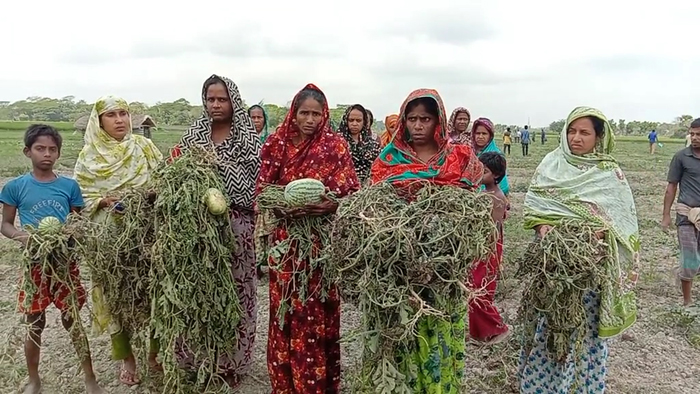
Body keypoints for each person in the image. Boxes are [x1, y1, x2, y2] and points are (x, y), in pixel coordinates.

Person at [519, 106, 640, 393]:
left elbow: (622, 222)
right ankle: (542, 386)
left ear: (598, 137)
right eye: (571, 131)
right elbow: (536, 207)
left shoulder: (609, 173)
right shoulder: (551, 164)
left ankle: (583, 387)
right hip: (553, 266)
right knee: (550, 326)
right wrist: (543, 228)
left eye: (584, 132)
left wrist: (598, 234)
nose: (576, 138)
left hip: (591, 271)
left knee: (584, 329)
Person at [370, 89, 483, 392]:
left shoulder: (459, 157)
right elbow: (375, 206)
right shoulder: (389, 158)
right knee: (402, 334)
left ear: (439, 121)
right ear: (403, 121)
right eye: (412, 119)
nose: (418, 125)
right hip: (400, 272)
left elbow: (470, 206)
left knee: (438, 333)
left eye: (426, 119)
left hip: (444, 273)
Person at [258, 84, 360, 394]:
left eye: (317, 114)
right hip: (287, 245)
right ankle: (288, 385)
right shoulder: (277, 144)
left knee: (320, 309)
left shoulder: (335, 146)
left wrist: (331, 204)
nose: (310, 119)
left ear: (325, 115)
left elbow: (351, 192)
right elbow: (263, 191)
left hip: (322, 247)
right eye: (305, 113)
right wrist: (285, 207)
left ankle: (320, 384)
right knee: (287, 309)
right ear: (294, 113)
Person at [170, 74, 261, 387]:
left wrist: (216, 166)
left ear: (233, 101)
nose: (216, 105)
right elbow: (176, 170)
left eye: (222, 99)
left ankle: (230, 364)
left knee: (236, 291)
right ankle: (194, 361)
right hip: (197, 229)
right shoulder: (194, 134)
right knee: (197, 291)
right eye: (211, 99)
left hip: (237, 225)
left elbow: (253, 182)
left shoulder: (247, 137)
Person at [0, 124, 103, 394]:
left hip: (64, 264)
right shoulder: (15, 187)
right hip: (34, 264)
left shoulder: (69, 186)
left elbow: (77, 221)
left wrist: (70, 233)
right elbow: (6, 224)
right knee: (34, 321)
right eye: (40, 148)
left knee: (73, 320)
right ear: (27, 151)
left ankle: (90, 378)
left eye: (52, 149)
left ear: (58, 153)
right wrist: (25, 238)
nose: (46, 154)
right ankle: (34, 380)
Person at [73, 96, 163, 386]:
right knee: (113, 295)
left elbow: (163, 180)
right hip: (108, 239)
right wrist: (103, 200)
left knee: (152, 291)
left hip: (146, 232)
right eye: (111, 115)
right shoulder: (89, 156)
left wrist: (149, 195)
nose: (120, 120)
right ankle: (127, 358)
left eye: (123, 113)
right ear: (99, 122)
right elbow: (79, 197)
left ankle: (153, 354)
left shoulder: (144, 147)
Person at [469, 152, 509, 344]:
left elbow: (493, 228)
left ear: (495, 175)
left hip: (487, 249)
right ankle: (479, 332)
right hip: (484, 248)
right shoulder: (487, 193)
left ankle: (498, 328)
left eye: (484, 171)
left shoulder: (494, 197)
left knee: (479, 289)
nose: (479, 174)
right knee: (474, 289)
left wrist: (483, 251)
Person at [662, 118, 700, 305]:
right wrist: (666, 215)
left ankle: (681, 274)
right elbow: (671, 187)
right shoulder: (681, 157)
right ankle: (687, 301)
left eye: (699, 135)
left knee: (696, 261)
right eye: (692, 134)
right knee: (690, 257)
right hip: (686, 215)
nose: (694, 138)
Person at [338, 104, 381, 184]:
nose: (354, 124)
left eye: (358, 120)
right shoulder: (337, 142)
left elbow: (377, 167)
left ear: (364, 122)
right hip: (344, 186)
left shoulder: (373, 144)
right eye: (351, 120)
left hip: (368, 188)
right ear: (345, 121)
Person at [471, 117, 510, 195]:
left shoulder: (495, 155)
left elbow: (503, 185)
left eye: (484, 134)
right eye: (478, 133)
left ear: (490, 136)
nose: (480, 136)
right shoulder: (469, 152)